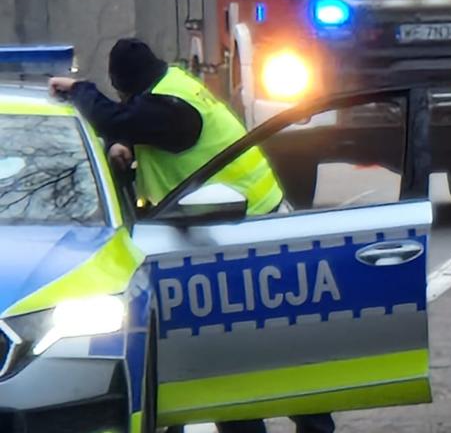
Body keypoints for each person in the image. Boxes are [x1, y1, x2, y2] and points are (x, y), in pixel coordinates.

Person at [49, 38, 335, 433]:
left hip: (242, 231)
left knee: (257, 345)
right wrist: (126, 144)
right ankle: (274, 425)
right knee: (239, 347)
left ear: (128, 85)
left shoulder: (168, 108)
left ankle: (308, 425)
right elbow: (136, 123)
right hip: (235, 226)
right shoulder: (173, 86)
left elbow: (120, 119)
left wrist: (82, 92)